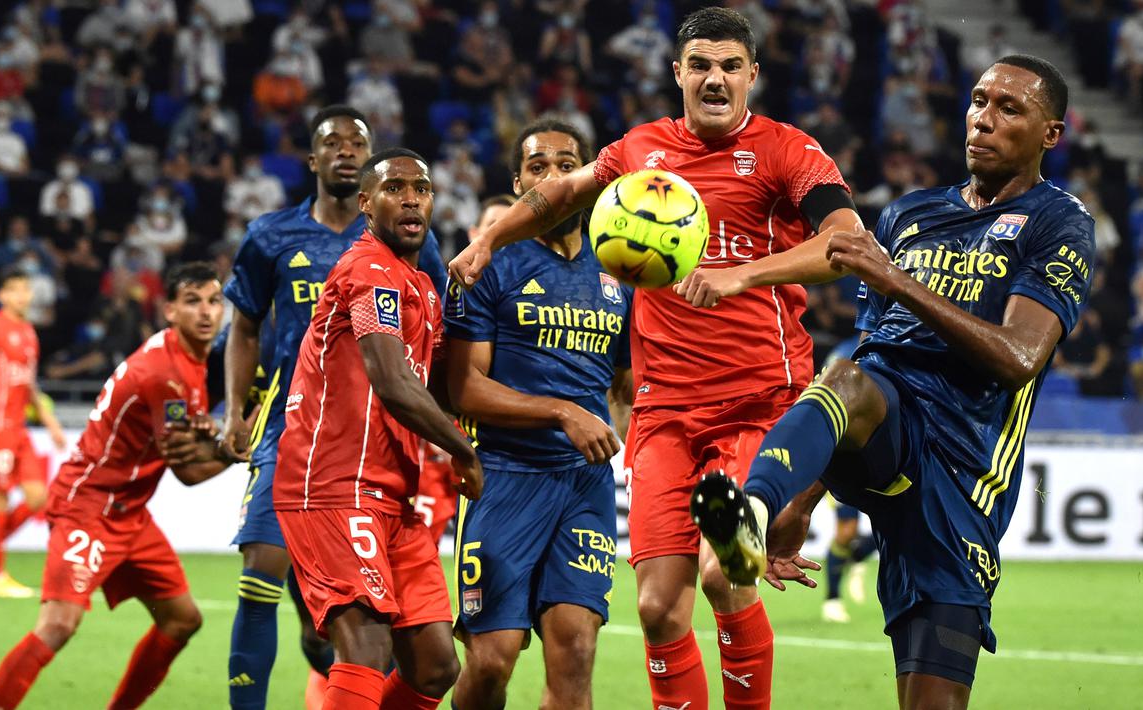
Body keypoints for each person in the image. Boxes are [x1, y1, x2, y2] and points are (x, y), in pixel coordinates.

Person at [450, 9, 862, 708]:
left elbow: (847, 243)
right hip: (665, 407)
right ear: (677, 73)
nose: (714, 78)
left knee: (718, 574)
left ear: (751, 75)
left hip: (758, 399)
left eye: (730, 66)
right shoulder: (639, 151)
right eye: (700, 64)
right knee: (653, 609)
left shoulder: (787, 151)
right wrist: (491, 240)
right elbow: (562, 192)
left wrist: (743, 274)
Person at [692, 55, 1094, 709]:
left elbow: (1019, 356)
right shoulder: (907, 215)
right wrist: (800, 503)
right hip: (885, 425)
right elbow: (869, 358)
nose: (983, 119)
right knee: (847, 374)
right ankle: (754, 512)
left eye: (1008, 108)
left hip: (961, 471)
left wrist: (894, 281)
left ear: (1051, 133)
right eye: (977, 101)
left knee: (929, 700)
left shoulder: (1058, 222)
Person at [219, 105, 446, 709]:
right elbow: (243, 328)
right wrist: (234, 411)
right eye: (333, 142)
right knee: (262, 570)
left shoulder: (415, 253)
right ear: (312, 159)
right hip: (299, 435)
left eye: (358, 141)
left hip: (383, 456)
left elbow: (435, 349)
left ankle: (323, 649)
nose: (345, 150)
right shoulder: (274, 236)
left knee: (423, 660)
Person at [0, 262, 242, 710]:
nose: (206, 312)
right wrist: (246, 447)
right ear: (169, 310)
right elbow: (188, 473)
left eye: (214, 301)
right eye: (192, 301)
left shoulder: (189, 360)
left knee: (182, 620)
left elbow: (188, 445)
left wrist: (219, 439)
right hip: (89, 505)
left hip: (129, 512)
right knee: (59, 624)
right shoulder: (166, 374)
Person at [272, 148, 482, 710]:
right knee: (365, 646)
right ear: (366, 203)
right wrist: (462, 450)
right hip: (334, 484)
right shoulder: (367, 271)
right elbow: (391, 380)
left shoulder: (422, 288)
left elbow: (441, 388)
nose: (412, 198)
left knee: (436, 665)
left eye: (422, 187)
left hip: (396, 493)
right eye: (395, 188)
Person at [445, 118, 633, 709]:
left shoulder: (620, 269)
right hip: (504, 476)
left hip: (584, 487)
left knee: (575, 652)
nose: (553, 176)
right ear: (519, 180)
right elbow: (463, 389)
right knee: (492, 661)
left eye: (565, 164)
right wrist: (562, 413)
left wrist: (613, 437)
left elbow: (625, 385)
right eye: (537, 166)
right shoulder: (489, 263)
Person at [0, 267, 66, 598]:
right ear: (2, 295)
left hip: (19, 430)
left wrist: (50, 422)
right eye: (16, 290)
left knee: (39, 497)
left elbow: (29, 384)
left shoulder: (29, 332)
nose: (24, 296)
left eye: (27, 289)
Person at [820, 501, 875, 623]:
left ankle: (857, 556)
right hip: (847, 481)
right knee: (847, 532)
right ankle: (832, 599)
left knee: (895, 522)